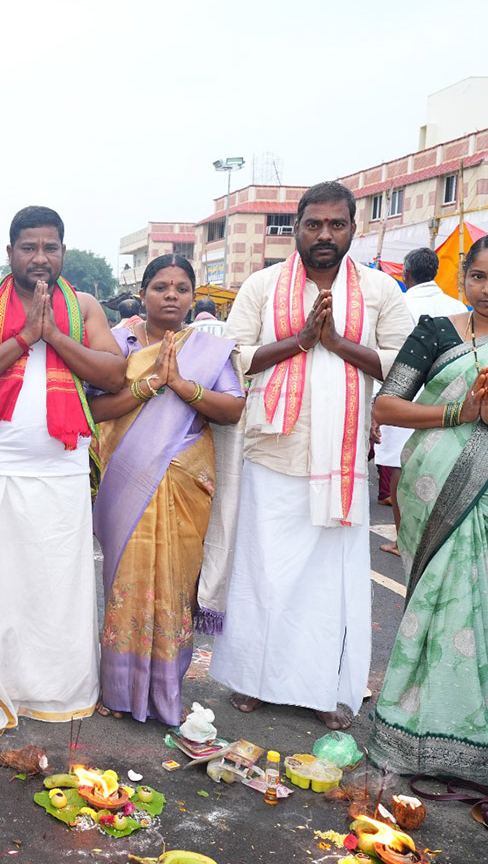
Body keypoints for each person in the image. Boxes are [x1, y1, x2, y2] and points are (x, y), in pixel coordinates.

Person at [209, 181, 413, 730]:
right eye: (314, 224)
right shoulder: (261, 285)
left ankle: (322, 686)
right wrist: (300, 341)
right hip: (273, 454)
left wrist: (339, 344)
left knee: (329, 584)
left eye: (336, 224)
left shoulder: (379, 291)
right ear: (296, 228)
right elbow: (232, 356)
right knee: (263, 573)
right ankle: (253, 679)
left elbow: (404, 365)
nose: (325, 234)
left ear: (353, 229)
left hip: (341, 462)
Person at [0, 205, 126, 740]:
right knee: (0, 587)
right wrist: (25, 338)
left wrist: (55, 336)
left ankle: (59, 691)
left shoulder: (84, 306)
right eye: (29, 248)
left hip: (63, 475)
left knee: (58, 591)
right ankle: (2, 686)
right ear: (11, 253)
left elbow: (115, 373)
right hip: (3, 473)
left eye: (50, 247)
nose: (40, 258)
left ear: (63, 252)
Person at [90, 255, 245, 726]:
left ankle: (165, 691)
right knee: (126, 578)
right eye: (161, 287)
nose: (171, 295)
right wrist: (148, 385)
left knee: (175, 585)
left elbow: (232, 409)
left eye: (181, 288)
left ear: (193, 296)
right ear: (142, 294)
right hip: (127, 476)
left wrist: (181, 385)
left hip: (184, 478)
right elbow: (94, 408)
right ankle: (119, 690)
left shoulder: (208, 349)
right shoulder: (117, 343)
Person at [367, 236, 488, 782]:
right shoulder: (436, 332)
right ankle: (420, 730)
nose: (487, 289)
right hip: (435, 486)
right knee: (443, 601)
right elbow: (386, 405)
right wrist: (458, 412)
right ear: (462, 278)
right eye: (479, 276)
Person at [373, 247, 465, 556]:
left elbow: (387, 361)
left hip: (405, 401)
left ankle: (404, 541)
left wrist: (375, 408)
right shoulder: (457, 307)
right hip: (451, 404)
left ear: (405, 274)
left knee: (399, 466)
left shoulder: (399, 304)